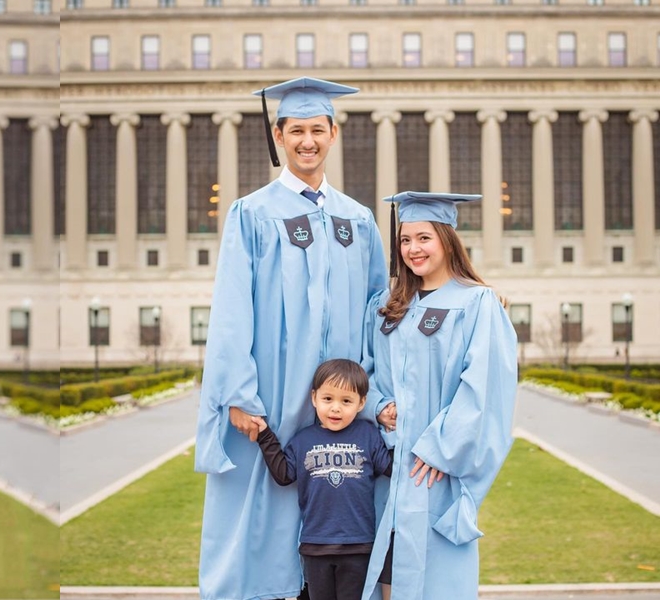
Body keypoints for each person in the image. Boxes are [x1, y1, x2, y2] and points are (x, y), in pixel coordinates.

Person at [195, 77, 390, 600]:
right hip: (275, 393)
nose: (308, 140)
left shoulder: (359, 218)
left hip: (343, 396)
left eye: (317, 130)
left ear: (334, 134)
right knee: (267, 495)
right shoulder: (252, 213)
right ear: (279, 136)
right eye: (296, 130)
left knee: (341, 498)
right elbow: (232, 309)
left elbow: (379, 307)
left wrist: (380, 388)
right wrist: (237, 393)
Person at [359, 192, 517, 600]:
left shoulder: (477, 303)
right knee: (386, 577)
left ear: (447, 239)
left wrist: (441, 449)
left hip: (435, 470)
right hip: (388, 470)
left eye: (424, 237)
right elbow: (365, 371)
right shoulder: (386, 307)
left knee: (437, 580)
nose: (413, 249)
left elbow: (486, 389)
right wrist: (378, 407)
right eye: (405, 239)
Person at [255, 359, 393, 600]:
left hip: (358, 546)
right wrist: (264, 436)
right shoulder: (303, 440)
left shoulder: (368, 435)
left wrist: (397, 430)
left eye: (346, 401)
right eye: (328, 399)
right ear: (314, 397)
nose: (336, 408)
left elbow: (392, 468)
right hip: (315, 546)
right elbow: (284, 475)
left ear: (361, 403)